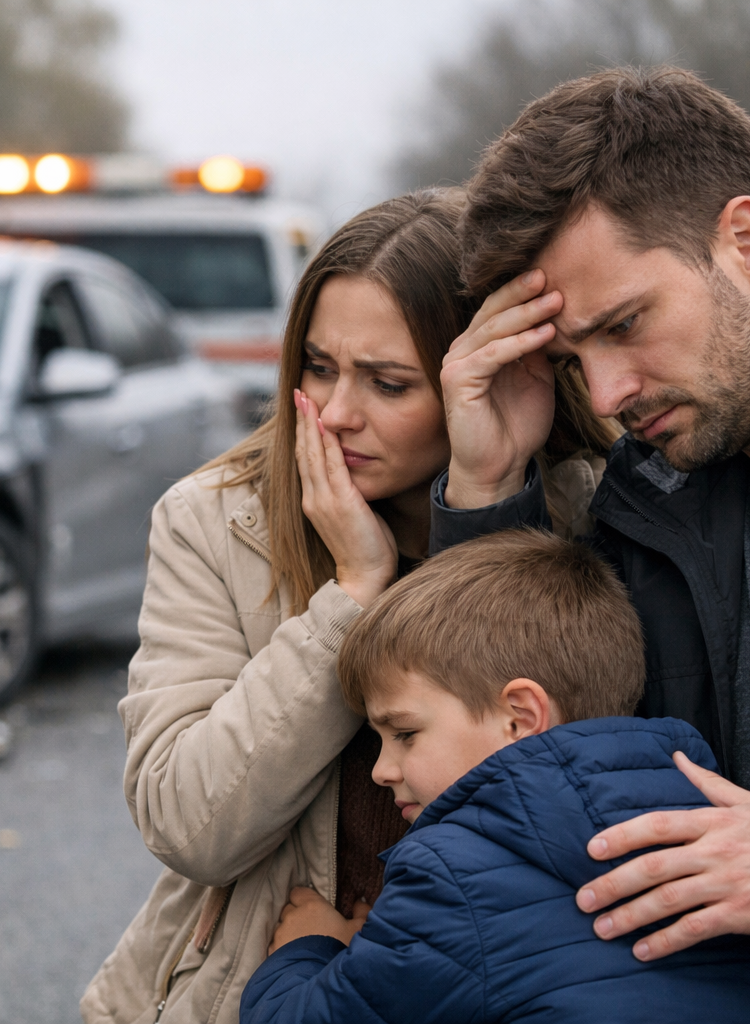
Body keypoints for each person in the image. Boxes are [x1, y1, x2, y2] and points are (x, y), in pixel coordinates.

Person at [432, 66, 750, 1021]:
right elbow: (521, 755)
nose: (606, 394)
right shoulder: (649, 510)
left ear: (748, 242)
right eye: (572, 358)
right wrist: (489, 485)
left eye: (624, 325)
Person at [80, 190, 618, 1024]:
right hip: (253, 987)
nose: (335, 416)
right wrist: (352, 594)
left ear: (481, 377)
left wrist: (483, 500)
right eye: (319, 368)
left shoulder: (590, 512)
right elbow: (189, 824)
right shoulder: (216, 522)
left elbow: (558, 796)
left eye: (388, 383)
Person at [238, 529, 750, 1024]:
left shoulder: (453, 874)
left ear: (520, 719)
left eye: (404, 733)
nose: (381, 771)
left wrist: (309, 948)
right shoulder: (711, 826)